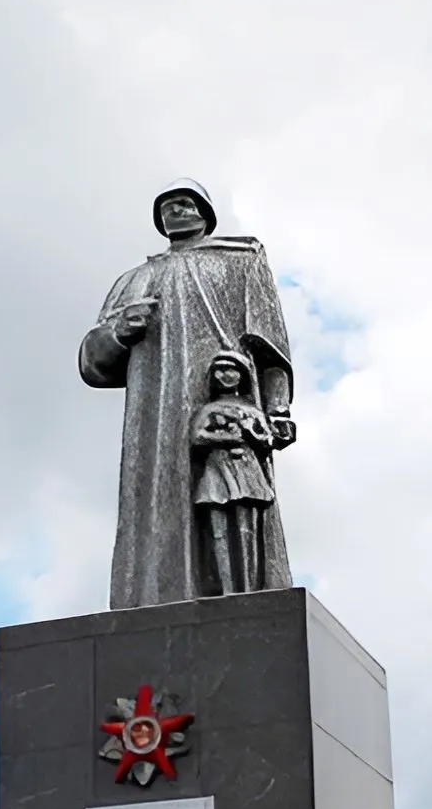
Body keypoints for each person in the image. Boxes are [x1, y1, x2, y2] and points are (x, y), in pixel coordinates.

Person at [79, 184, 296, 607]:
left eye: (185, 202)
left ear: (206, 212)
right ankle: (154, 600)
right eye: (166, 206)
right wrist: (119, 333)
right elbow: (92, 362)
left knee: (232, 509)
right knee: (158, 504)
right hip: (153, 416)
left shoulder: (239, 261)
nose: (176, 210)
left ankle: (236, 595)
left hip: (222, 408)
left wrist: (278, 408)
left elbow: (271, 347)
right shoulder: (134, 280)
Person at [190, 350, 277, 596]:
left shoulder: (252, 410)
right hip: (218, 472)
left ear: (242, 375)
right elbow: (198, 436)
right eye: (220, 370)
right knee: (219, 532)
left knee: (246, 531)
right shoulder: (210, 409)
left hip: (247, 473)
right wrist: (230, 437)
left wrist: (251, 431)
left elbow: (267, 440)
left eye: (231, 370)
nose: (225, 375)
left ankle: (249, 588)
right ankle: (226, 589)